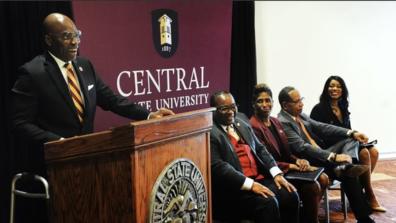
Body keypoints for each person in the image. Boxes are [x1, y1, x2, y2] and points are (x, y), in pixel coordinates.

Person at [9, 13, 174, 222]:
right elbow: (19, 124)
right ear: (49, 40)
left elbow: (112, 100)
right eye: (67, 36)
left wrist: (149, 115)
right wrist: (58, 142)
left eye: (77, 35)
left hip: (89, 160)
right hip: (53, 164)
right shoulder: (32, 74)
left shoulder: (85, 66)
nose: (75, 41)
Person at [277, 86, 375, 223]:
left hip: (321, 154)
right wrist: (333, 157)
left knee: (351, 139)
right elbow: (302, 147)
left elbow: (321, 127)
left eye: (301, 99)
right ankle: (364, 218)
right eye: (297, 101)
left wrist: (351, 132)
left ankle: (344, 166)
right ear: (285, 105)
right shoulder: (282, 121)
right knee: (349, 176)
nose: (301, 104)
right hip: (309, 161)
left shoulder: (300, 115)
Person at [210, 91, 300, 223]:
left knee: (291, 194)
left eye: (233, 106)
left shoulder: (242, 124)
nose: (231, 112)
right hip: (237, 188)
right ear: (213, 110)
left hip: (259, 179)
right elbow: (219, 168)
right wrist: (251, 185)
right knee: (268, 203)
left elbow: (261, 149)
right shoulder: (211, 132)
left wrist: (277, 174)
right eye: (224, 109)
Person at [249, 83, 329, 223]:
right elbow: (264, 160)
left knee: (323, 178)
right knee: (313, 186)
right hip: (272, 174)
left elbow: (286, 152)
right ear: (253, 104)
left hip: (288, 168)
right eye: (260, 101)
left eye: (268, 100)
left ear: (273, 102)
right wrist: (293, 166)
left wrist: (297, 160)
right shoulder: (253, 126)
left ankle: (306, 217)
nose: (265, 104)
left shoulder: (275, 121)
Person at [310, 75, 385, 212]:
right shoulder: (319, 109)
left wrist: (356, 137)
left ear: (343, 90)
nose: (335, 89)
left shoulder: (343, 107)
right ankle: (368, 194)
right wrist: (351, 135)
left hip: (347, 145)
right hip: (330, 149)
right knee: (363, 153)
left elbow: (348, 130)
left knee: (373, 151)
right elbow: (321, 134)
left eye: (338, 86)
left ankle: (359, 189)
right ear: (326, 89)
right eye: (331, 86)